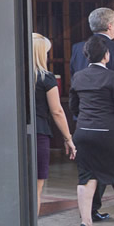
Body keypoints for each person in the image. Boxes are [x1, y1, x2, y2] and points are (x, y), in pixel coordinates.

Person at [71, 7, 114, 221]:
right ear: (110, 25)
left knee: (89, 171)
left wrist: (80, 116)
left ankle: (89, 215)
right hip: (112, 123)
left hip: (84, 123)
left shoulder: (76, 48)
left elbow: (73, 89)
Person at [33, 33, 76, 200]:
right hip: (39, 132)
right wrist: (68, 138)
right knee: (36, 187)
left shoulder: (14, 77)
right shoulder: (46, 78)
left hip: (14, 132)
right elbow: (57, 111)